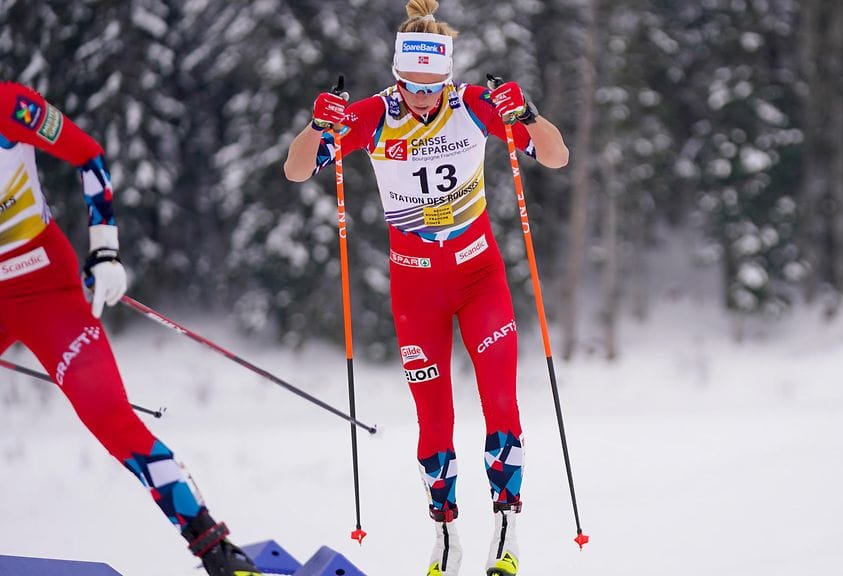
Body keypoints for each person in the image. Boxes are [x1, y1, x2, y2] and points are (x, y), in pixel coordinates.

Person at [284, 1, 568, 574]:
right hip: (416, 290)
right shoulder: (373, 115)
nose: (420, 96)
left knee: (500, 403)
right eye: (410, 84)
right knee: (434, 421)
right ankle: (445, 537)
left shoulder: (472, 105)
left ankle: (506, 531)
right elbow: (295, 170)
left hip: (480, 277)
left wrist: (528, 115)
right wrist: (316, 127)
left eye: (432, 84)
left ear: (447, 76)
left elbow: (557, 156)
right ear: (396, 76)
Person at [0, 81, 263, 576]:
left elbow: (89, 156)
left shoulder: (9, 106)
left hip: (45, 294)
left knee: (112, 419)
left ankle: (217, 551)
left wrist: (104, 252)